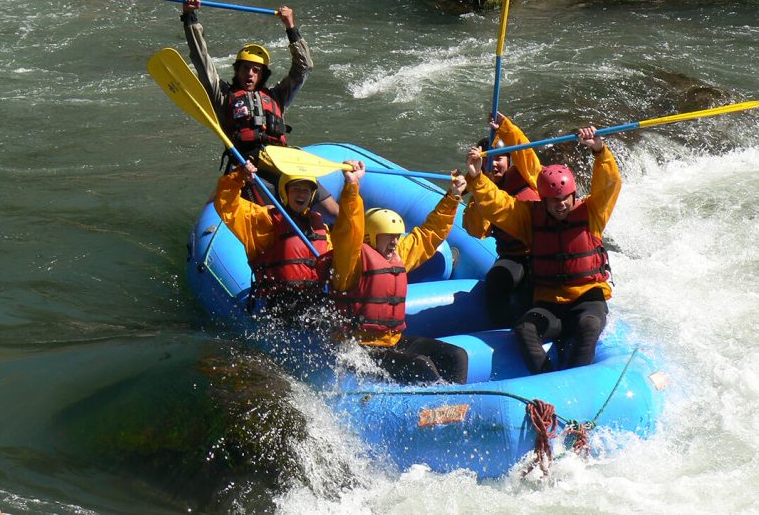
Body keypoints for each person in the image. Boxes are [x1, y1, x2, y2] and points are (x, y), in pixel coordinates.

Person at [465, 126, 621, 375]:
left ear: (573, 196)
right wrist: (477, 179)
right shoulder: (530, 218)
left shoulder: (592, 213)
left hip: (587, 299)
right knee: (525, 328)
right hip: (551, 303)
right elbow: (499, 205)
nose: (560, 206)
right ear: (544, 199)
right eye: (554, 201)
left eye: (564, 199)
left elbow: (608, 185)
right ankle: (546, 379)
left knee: (589, 327)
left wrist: (599, 151)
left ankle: (573, 380)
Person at [181, 0, 339, 218]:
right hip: (247, 170)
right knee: (273, 214)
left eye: (256, 70)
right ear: (237, 70)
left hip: (281, 163)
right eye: (245, 68)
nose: (250, 74)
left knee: (333, 210)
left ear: (263, 74)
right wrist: (190, 17)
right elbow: (202, 60)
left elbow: (304, 68)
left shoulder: (277, 96)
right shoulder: (223, 95)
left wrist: (291, 28)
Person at [329, 160, 470, 384]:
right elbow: (348, 230)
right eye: (389, 236)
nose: (395, 241)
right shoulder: (351, 262)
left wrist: (453, 197)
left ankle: (456, 406)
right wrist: (352, 187)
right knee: (422, 366)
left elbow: (428, 234)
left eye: (397, 235)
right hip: (359, 349)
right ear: (372, 236)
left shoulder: (398, 255)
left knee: (456, 356)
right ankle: (432, 411)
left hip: (391, 341)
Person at [213, 161, 332, 320]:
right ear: (285, 192)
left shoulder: (320, 228)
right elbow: (227, 206)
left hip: (315, 304)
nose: (301, 195)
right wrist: (239, 176)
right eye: (295, 189)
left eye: (305, 190)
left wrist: (351, 186)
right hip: (279, 305)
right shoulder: (266, 220)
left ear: (311, 195)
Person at [462, 113, 542, 327]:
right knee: (496, 283)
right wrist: (478, 180)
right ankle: (504, 331)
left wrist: (505, 128)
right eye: (487, 160)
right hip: (513, 256)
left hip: (541, 252)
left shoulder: (527, 175)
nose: (493, 164)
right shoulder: (482, 190)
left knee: (534, 294)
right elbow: (477, 230)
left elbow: (525, 151)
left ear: (509, 160)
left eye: (498, 158)